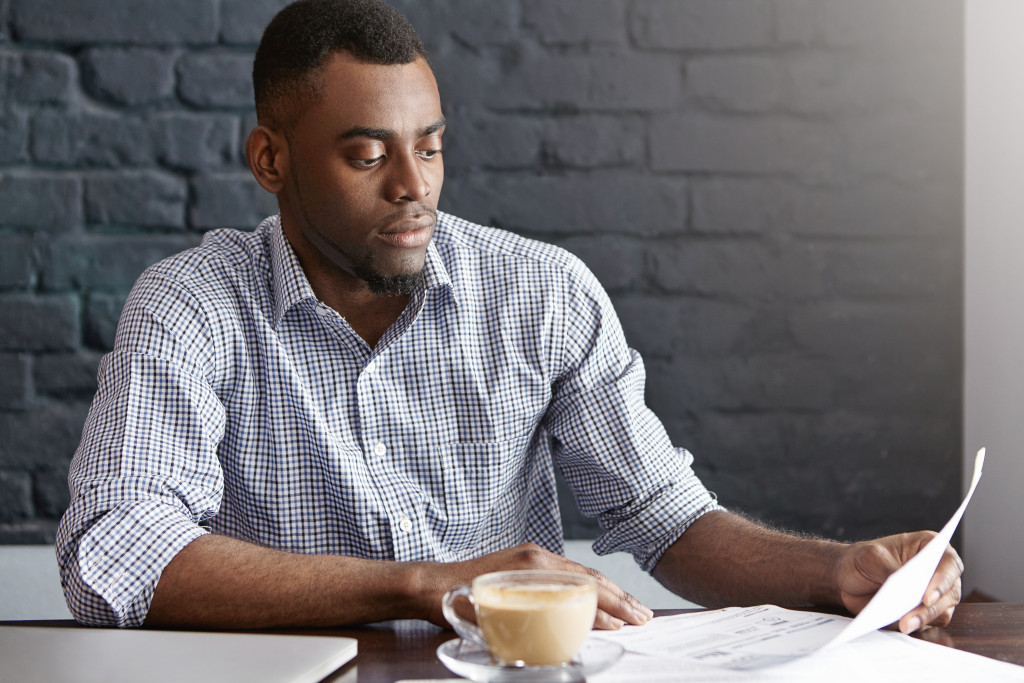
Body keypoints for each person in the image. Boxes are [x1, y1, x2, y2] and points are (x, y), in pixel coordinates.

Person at [56, 0, 962, 634]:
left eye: (431, 146)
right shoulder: (191, 307)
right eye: (368, 153)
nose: (415, 187)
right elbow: (116, 557)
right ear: (270, 158)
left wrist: (836, 571)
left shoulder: (544, 293)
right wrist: (431, 587)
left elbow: (662, 516)